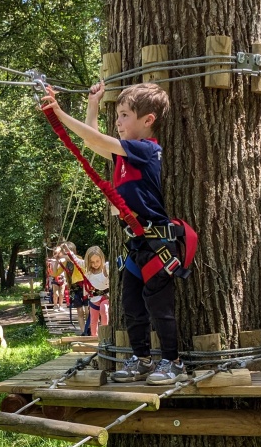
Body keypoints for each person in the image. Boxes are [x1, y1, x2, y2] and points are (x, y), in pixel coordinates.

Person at [40, 79, 190, 385]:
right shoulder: (124, 156)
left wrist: (59, 114)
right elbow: (93, 142)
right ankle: (142, 359)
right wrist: (93, 104)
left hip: (157, 243)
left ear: (148, 120)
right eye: (118, 115)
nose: (118, 122)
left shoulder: (146, 150)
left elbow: (94, 138)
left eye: (124, 116)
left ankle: (174, 362)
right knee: (132, 306)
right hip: (137, 244)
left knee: (159, 308)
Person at [81, 245, 109, 336]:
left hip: (106, 296)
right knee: (93, 319)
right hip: (94, 298)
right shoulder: (88, 273)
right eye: (92, 262)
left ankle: (105, 334)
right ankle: (94, 336)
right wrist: (68, 252)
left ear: (102, 259)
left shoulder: (106, 268)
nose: (95, 264)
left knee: (104, 310)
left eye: (97, 261)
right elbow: (77, 261)